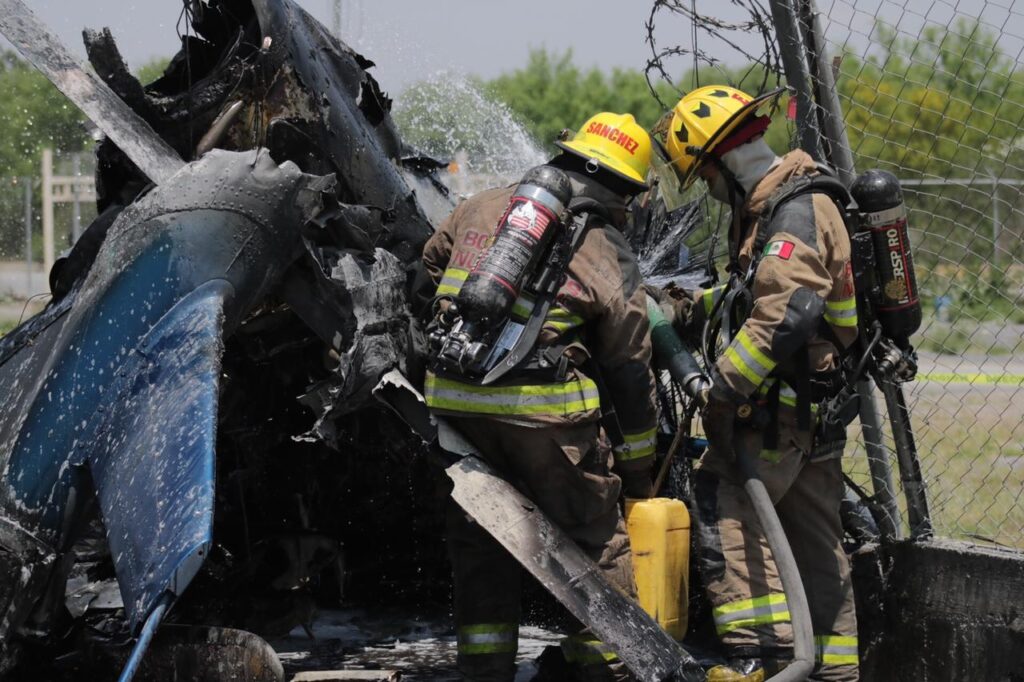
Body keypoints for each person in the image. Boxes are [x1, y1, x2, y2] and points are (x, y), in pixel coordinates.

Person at [420, 112, 659, 682]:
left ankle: (484, 671)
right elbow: (628, 364)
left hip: (453, 408)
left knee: (481, 543)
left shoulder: (479, 206)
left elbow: (427, 265)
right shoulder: (605, 244)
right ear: (621, 189)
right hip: (541, 418)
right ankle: (607, 670)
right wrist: (638, 469)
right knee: (595, 538)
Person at [662, 85, 860, 682]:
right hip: (810, 410)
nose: (708, 189)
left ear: (724, 160)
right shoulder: (778, 205)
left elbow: (783, 316)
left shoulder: (793, 212)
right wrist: (684, 308)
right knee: (814, 544)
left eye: (705, 175)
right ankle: (837, 673)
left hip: (778, 416)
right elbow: (753, 295)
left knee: (724, 507)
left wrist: (721, 393)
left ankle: (764, 663)